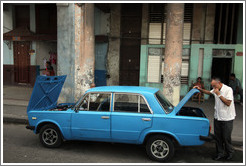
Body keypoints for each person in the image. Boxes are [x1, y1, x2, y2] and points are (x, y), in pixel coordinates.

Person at [193, 77, 236, 161]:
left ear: (219, 83)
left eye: (214, 86)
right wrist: (200, 89)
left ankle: (230, 153)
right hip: (217, 117)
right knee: (218, 137)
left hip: (227, 118)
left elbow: (228, 103)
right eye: (212, 86)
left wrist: (219, 94)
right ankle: (220, 153)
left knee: (226, 137)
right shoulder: (215, 89)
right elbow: (209, 92)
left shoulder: (228, 90)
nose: (213, 88)